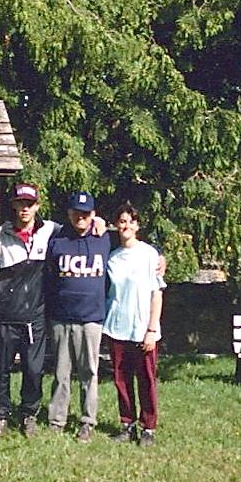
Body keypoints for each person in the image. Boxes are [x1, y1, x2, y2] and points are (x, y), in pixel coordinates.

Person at [0, 183, 59, 438]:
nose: (25, 208)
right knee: (0, 369)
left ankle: (28, 415)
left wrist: (97, 221)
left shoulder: (51, 231)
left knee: (33, 370)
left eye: (29, 204)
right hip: (4, 316)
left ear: (37, 207)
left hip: (35, 317)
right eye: (20, 203)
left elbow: (81, 232)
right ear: (14, 205)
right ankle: (0, 417)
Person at [44, 190, 112, 443]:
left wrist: (159, 253)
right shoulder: (58, 238)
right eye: (76, 213)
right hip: (61, 317)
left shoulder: (104, 238)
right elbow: (48, 275)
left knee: (89, 373)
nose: (80, 218)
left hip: (91, 318)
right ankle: (57, 419)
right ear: (69, 214)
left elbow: (133, 240)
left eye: (86, 214)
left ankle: (87, 421)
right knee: (61, 373)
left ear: (93, 215)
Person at [102, 202, 166, 446]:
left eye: (130, 221)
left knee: (146, 379)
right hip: (117, 327)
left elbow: (157, 294)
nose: (126, 225)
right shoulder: (112, 257)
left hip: (143, 330)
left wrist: (152, 329)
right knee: (121, 379)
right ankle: (127, 424)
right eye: (122, 221)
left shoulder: (150, 254)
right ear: (116, 225)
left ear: (137, 225)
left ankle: (148, 427)